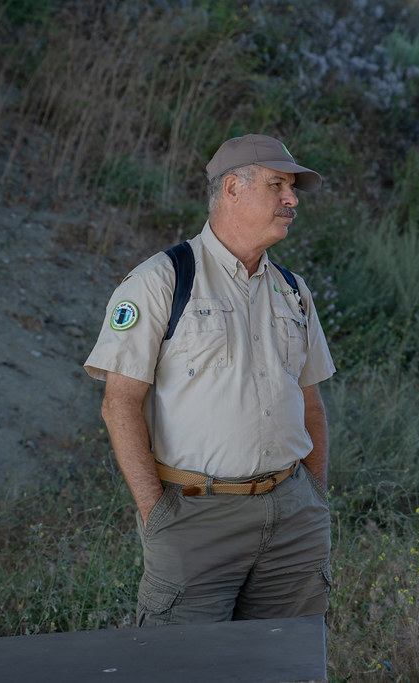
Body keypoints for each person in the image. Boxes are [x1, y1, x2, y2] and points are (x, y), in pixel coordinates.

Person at [84, 134, 336, 626]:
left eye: (293, 188)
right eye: (277, 185)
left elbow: (310, 400)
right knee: (184, 668)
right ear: (231, 190)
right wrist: (158, 517)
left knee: (286, 664)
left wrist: (315, 495)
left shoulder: (293, 291)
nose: (292, 199)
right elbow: (119, 404)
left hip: (293, 516)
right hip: (195, 520)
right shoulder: (160, 281)